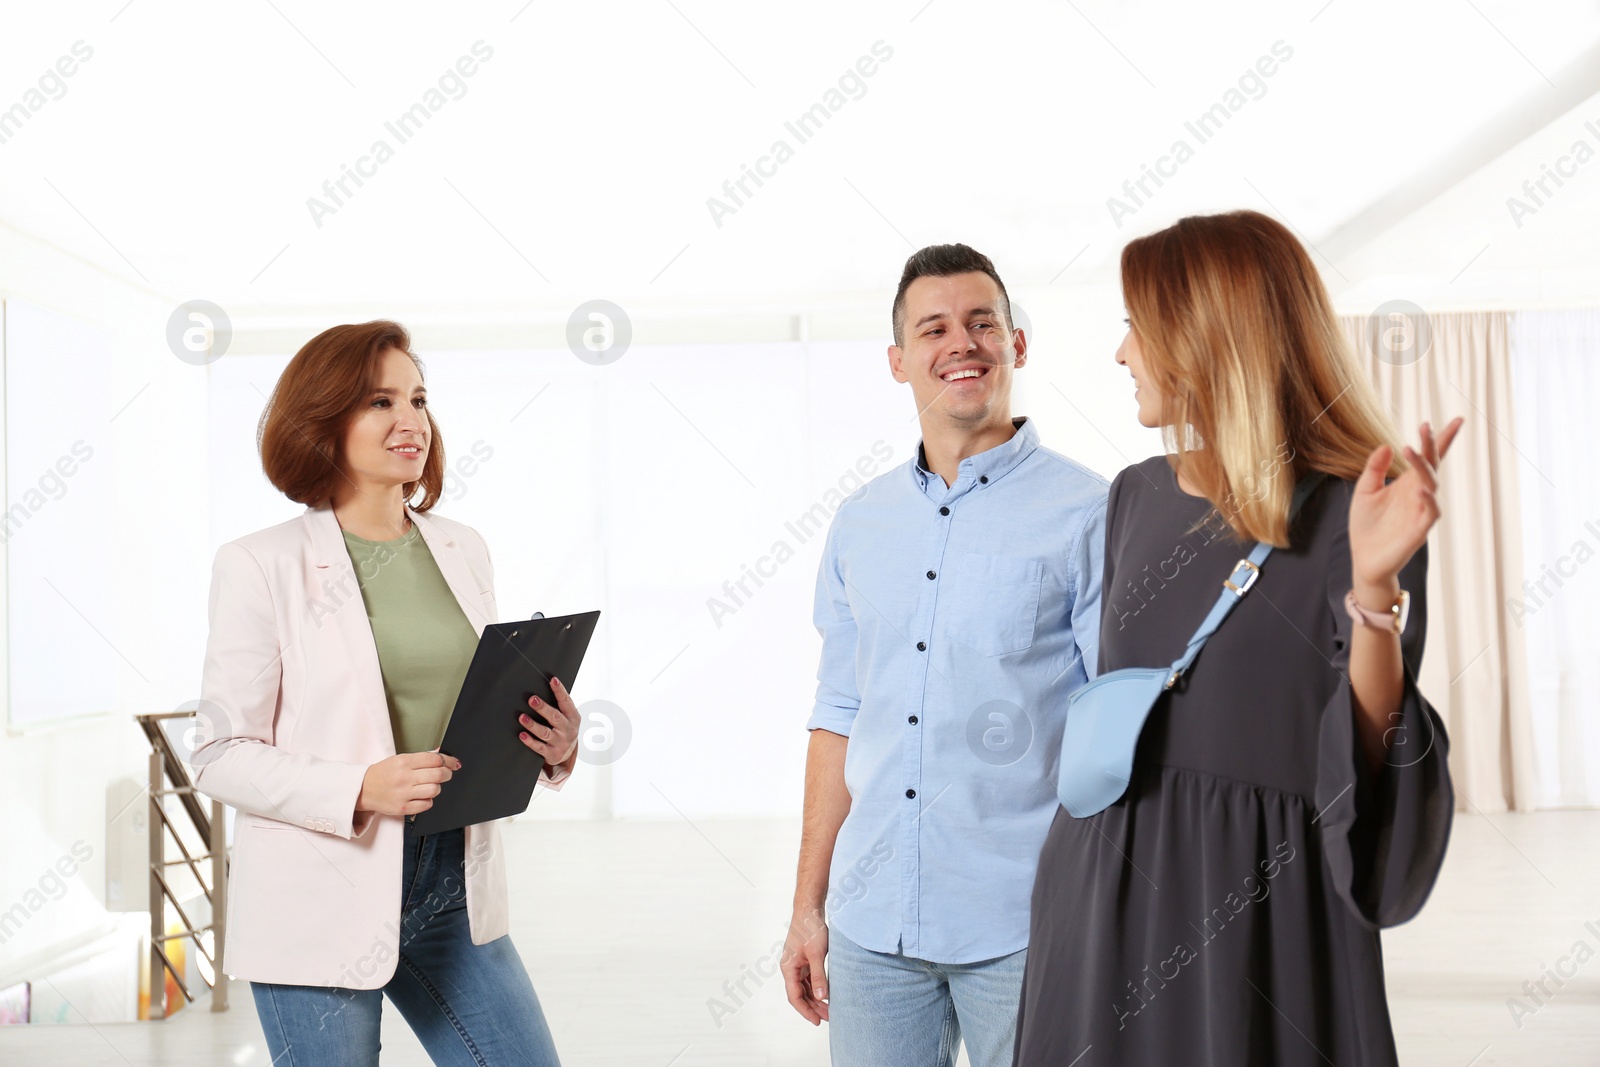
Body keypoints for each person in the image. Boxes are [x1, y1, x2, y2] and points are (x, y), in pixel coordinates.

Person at [1014, 210, 1462, 1066]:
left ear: (1205, 337)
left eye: (1137, 329)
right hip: (1100, 896)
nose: (1122, 354)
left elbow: (1366, 748)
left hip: (1258, 908)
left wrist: (1374, 588)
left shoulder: (1353, 512)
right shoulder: (1135, 498)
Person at [192, 320, 579, 1066]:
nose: (412, 421)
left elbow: (470, 706)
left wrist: (551, 744)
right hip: (321, 888)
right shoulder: (258, 564)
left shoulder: (463, 546)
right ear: (322, 422)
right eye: (379, 401)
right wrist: (359, 786)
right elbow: (216, 753)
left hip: (451, 881)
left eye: (419, 398)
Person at [780, 244, 1109, 1066]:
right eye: (933, 328)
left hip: (1027, 923)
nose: (959, 342)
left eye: (981, 322)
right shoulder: (860, 522)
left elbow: (1117, 727)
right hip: (871, 924)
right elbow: (838, 717)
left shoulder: (1091, 512)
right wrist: (808, 906)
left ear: (1017, 344)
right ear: (900, 361)